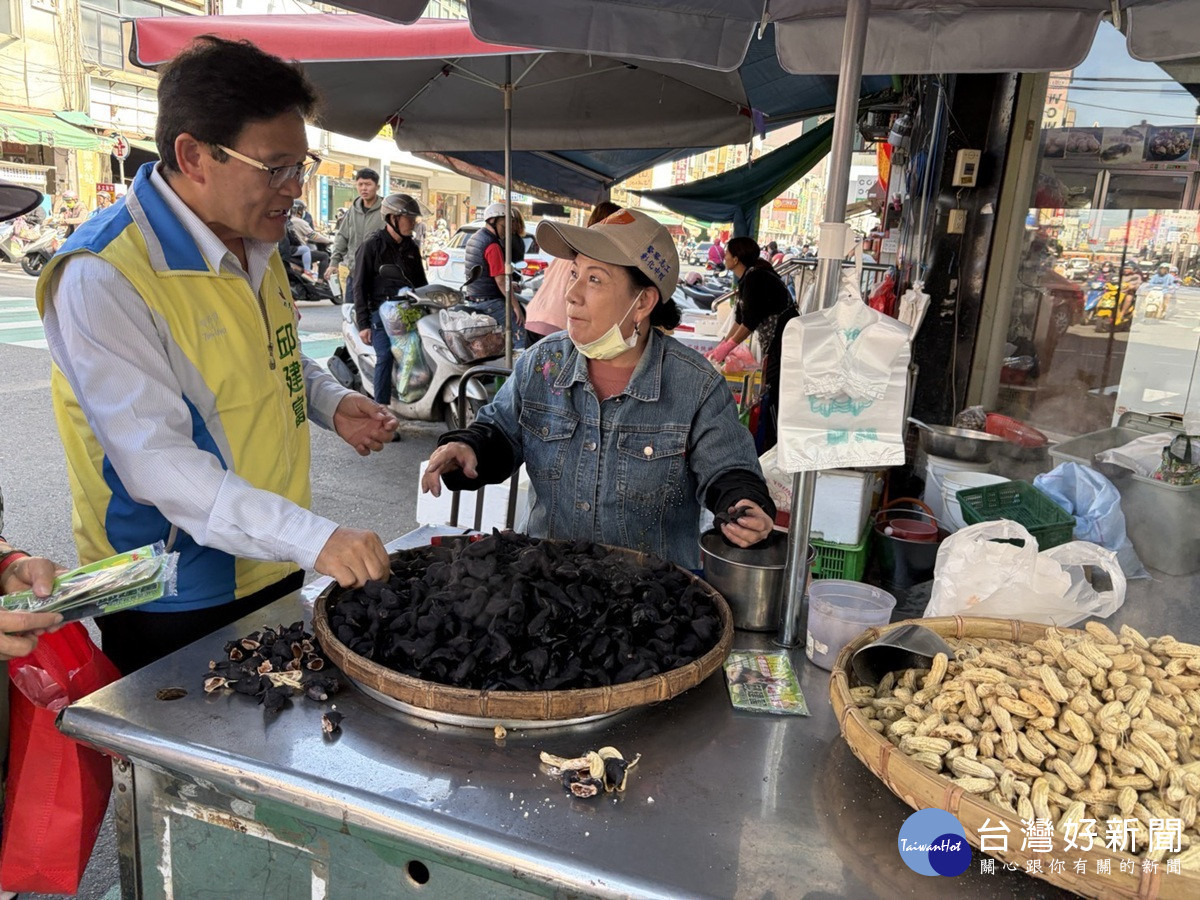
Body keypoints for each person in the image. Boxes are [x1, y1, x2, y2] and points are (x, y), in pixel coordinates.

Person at [38, 36, 398, 675]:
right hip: (166, 590)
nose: (293, 189)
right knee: (184, 766)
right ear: (192, 155)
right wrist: (315, 538)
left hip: (270, 555)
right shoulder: (105, 275)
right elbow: (158, 465)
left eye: (301, 167)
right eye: (274, 167)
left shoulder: (258, 245)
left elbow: (274, 356)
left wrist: (332, 402)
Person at [422, 208, 775, 570]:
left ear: (643, 302)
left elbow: (728, 471)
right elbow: (498, 432)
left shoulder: (696, 386)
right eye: (574, 274)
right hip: (546, 587)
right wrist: (468, 447)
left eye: (594, 280)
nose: (571, 294)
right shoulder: (542, 365)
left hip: (652, 600)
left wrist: (743, 505)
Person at [707, 237, 796, 454]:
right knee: (768, 389)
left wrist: (726, 349)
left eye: (727, 253)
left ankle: (775, 449)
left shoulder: (756, 278)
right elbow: (739, 318)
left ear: (736, 258)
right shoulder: (747, 278)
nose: (724, 256)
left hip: (785, 341)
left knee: (773, 393)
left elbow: (750, 322)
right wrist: (723, 344)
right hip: (775, 343)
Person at [353, 193, 428, 408]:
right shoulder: (372, 246)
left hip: (407, 310)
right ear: (393, 218)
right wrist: (364, 324)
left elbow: (421, 283)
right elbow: (359, 286)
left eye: (414, 219)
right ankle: (381, 410)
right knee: (385, 356)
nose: (413, 223)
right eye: (409, 218)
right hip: (379, 313)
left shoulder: (411, 247)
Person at [523, 201, 619, 345]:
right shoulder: (595, 256)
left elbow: (547, 276)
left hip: (535, 316)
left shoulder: (570, 249)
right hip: (559, 324)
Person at [462, 201, 525, 331]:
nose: (507, 230)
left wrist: (510, 285)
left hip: (474, 299)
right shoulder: (492, 245)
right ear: (492, 220)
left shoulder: (474, 238)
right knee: (519, 332)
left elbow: (484, 273)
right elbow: (501, 280)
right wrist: (516, 307)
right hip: (491, 303)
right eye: (504, 225)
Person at [329, 167, 383, 302]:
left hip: (378, 277)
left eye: (368, 184)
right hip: (354, 274)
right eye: (360, 184)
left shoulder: (386, 211)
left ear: (377, 187)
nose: (364, 188)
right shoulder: (352, 210)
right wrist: (334, 263)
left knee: (376, 318)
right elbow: (342, 237)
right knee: (351, 315)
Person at [289, 201, 331, 278]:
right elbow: (313, 236)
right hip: (298, 252)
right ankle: (320, 280)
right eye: (303, 210)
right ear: (299, 211)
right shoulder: (299, 222)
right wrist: (329, 241)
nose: (304, 212)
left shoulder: (288, 221)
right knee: (324, 256)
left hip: (290, 250)